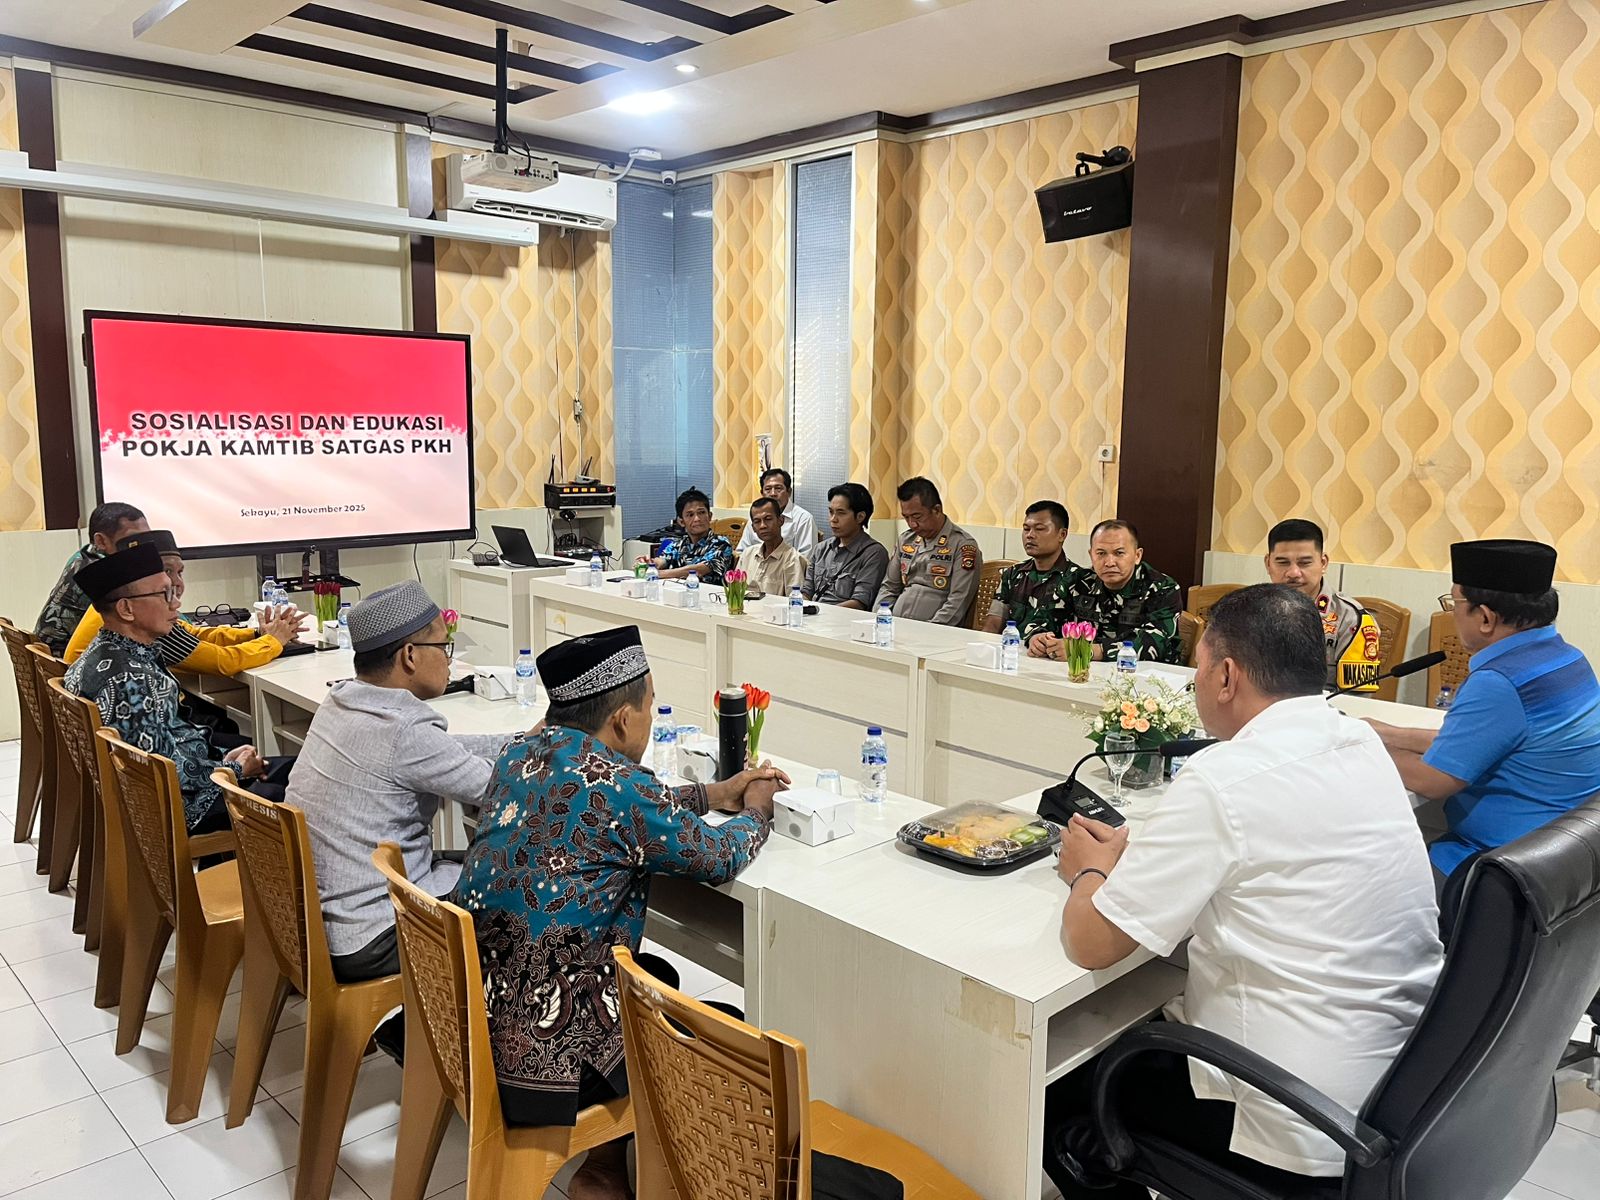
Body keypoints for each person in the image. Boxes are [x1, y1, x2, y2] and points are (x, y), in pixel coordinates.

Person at [1045, 585, 1441, 1193]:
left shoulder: (1222, 775)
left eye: (1197, 669)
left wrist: (1090, 871)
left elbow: (1091, 944)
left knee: (1057, 1092)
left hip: (1295, 1111)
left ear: (1226, 675)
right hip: (1404, 1091)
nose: (1197, 684)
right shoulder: (1358, 741)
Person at [455, 626, 784, 1200]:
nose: (652, 717)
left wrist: (712, 794)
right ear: (623, 720)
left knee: (655, 978)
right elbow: (718, 856)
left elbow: (619, 805)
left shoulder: (518, 754)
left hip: (473, 1008)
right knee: (715, 1022)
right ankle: (662, 1176)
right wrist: (755, 807)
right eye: (651, 705)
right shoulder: (617, 787)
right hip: (537, 1046)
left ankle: (605, 1164)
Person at [286, 581, 514, 985]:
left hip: (320, 923)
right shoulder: (405, 729)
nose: (450, 661)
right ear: (409, 656)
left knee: (484, 864)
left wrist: (521, 741)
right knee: (530, 881)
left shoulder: (344, 701)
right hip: (374, 935)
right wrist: (555, 751)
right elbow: (502, 789)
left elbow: (443, 751)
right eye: (444, 648)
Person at [1367, 539, 1600, 891]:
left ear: (1486, 617)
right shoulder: (1566, 658)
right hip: (1565, 857)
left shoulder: (1501, 681)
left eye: (1455, 602)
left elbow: (1435, 779)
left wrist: (1363, 744)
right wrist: (1388, 732)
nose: (1452, 612)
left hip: (1502, 869)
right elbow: (1481, 744)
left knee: (1359, 883)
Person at [62, 543, 289, 833]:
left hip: (167, 794)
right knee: (289, 790)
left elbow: (166, 748)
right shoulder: (129, 680)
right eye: (163, 594)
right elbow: (163, 775)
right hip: (176, 812)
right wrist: (235, 770)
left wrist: (220, 758)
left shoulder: (110, 652)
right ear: (126, 608)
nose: (176, 603)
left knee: (283, 767)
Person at [63, 530, 305, 674]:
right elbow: (222, 662)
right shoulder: (139, 619)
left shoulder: (131, 609)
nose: (176, 584)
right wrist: (273, 641)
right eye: (166, 573)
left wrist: (257, 634)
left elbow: (194, 634)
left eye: (180, 573)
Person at [1263, 518, 1379, 690]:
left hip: (1326, 714)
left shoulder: (1352, 620)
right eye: (1283, 562)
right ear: (1268, 564)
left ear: (1323, 563)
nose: (1294, 573)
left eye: (1304, 563)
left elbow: (1356, 698)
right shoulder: (1249, 611)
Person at [34, 501, 149, 655]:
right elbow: (151, 617)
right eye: (133, 540)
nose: (142, 547)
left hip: (56, 660)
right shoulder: (104, 572)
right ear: (101, 541)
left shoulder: (82, 557)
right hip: (65, 664)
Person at [1060, 519, 1182, 663]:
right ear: (1091, 555)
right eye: (1101, 553)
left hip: (1146, 676)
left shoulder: (1162, 588)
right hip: (1087, 672)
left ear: (1137, 556)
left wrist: (1093, 651)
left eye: (1119, 553)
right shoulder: (1078, 581)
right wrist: (1039, 637)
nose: (1109, 562)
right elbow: (1046, 617)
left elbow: (1155, 643)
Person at [875, 477, 982, 625]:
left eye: (917, 516)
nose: (912, 524)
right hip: (894, 628)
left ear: (937, 510)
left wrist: (929, 630)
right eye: (906, 517)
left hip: (936, 633)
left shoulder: (962, 545)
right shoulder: (906, 540)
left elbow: (957, 602)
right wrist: (879, 620)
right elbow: (889, 588)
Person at [982, 500, 1079, 648]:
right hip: (1011, 654)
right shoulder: (1012, 574)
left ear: (1062, 534)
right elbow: (993, 625)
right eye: (1026, 529)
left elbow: (1082, 637)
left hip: (1053, 659)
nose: (1030, 535)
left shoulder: (1078, 579)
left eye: (1039, 529)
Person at [804, 482, 889, 610]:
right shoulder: (821, 549)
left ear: (860, 517)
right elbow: (806, 591)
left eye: (841, 513)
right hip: (811, 617)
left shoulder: (874, 553)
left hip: (844, 621)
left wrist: (820, 613)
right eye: (831, 512)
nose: (833, 519)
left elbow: (860, 602)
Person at [653, 487, 734, 584]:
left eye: (701, 513)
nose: (697, 519)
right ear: (682, 522)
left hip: (709, 596)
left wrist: (659, 573)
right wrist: (649, 564)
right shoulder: (679, 544)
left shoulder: (721, 543)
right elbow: (662, 561)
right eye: (690, 515)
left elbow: (696, 571)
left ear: (710, 516)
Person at [735, 496, 807, 595]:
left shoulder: (793, 559)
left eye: (768, 519)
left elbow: (794, 601)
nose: (763, 526)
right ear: (753, 528)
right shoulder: (747, 554)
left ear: (781, 521)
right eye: (757, 522)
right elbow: (735, 593)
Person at [736, 467, 818, 552]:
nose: (773, 494)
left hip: (788, 564)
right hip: (754, 564)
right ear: (762, 493)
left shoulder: (803, 519)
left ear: (789, 492)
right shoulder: (756, 517)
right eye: (768, 489)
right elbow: (741, 552)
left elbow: (806, 559)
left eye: (778, 488)